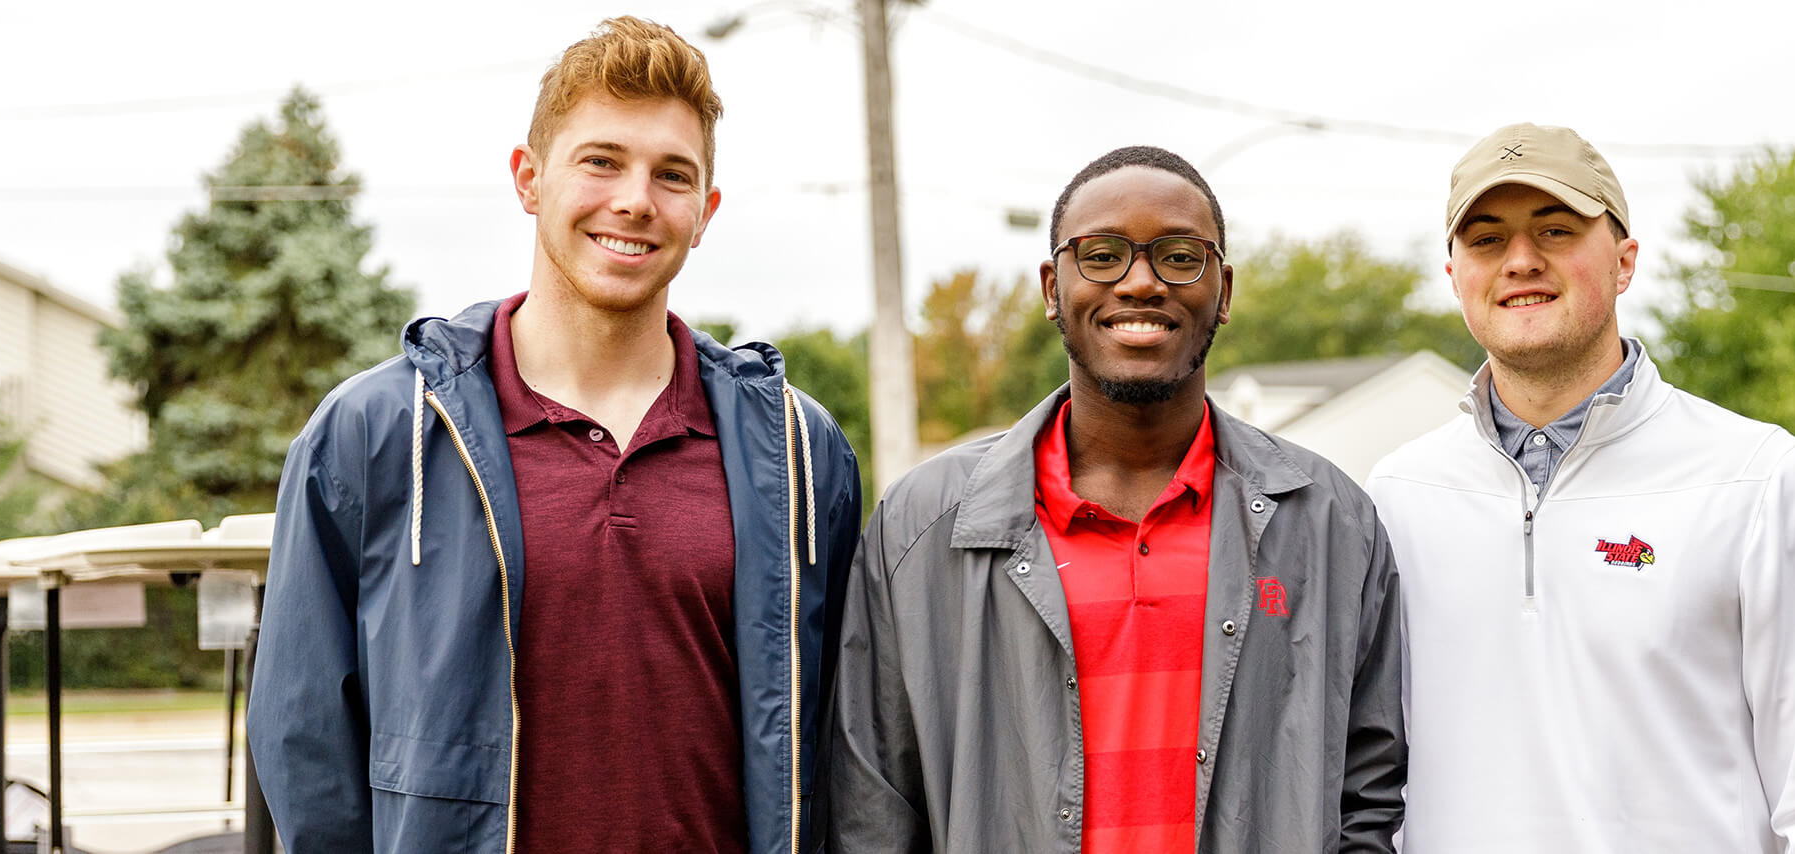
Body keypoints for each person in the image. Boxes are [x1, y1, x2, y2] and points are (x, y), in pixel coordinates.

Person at [248, 17, 862, 853]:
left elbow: (836, 746)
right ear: (529, 178)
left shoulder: (797, 449)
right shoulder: (375, 432)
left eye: (671, 175)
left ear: (705, 210)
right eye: (601, 161)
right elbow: (305, 744)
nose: (635, 200)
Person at [826, 145, 1406, 853]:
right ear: (1051, 286)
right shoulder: (921, 528)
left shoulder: (1330, 523)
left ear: (1223, 292)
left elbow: (1367, 793)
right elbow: (872, 811)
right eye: (1101, 255)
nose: (1140, 282)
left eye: (1179, 256)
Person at [1365, 123, 1795, 851]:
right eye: (1486, 239)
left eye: (1555, 229)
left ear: (1624, 261)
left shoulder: (1764, 480)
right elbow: (1369, 790)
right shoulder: (1395, 498)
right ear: (1454, 275)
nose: (1520, 260)